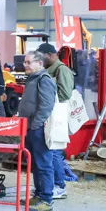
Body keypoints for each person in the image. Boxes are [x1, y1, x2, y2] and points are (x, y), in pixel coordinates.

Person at [19, 51, 57, 211]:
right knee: (35, 164)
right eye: (25, 62)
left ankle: (47, 200)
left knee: (43, 164)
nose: (25, 65)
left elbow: (46, 106)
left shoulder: (44, 80)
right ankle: (39, 194)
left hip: (38, 129)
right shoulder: (33, 79)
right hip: (30, 128)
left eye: (28, 62)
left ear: (40, 63)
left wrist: (35, 125)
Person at [38, 43, 73, 200]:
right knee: (49, 151)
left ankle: (59, 186)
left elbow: (65, 94)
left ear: (50, 55)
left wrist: (46, 95)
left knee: (55, 151)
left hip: (57, 116)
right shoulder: (48, 70)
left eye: (41, 57)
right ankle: (51, 185)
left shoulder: (61, 70)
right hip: (49, 115)